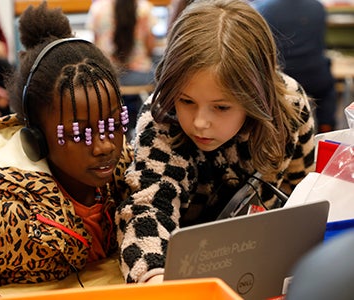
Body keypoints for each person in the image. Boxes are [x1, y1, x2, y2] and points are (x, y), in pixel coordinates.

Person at [0, 2, 133, 298]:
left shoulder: (127, 176)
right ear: (35, 139)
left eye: (112, 124)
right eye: (80, 134)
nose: (105, 146)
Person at [115, 0, 316, 284]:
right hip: (183, 273)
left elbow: (303, 197)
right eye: (187, 101)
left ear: (258, 98)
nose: (199, 122)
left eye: (221, 107)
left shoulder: (290, 107)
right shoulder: (162, 117)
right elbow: (148, 209)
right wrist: (154, 278)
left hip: (263, 268)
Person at [252, 0, 338, 133]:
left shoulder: (263, 9)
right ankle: (326, 132)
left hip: (281, 77)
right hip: (314, 74)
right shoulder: (317, 7)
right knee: (327, 91)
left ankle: (277, 133)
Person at [87, 0, 157, 138]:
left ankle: (118, 127)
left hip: (109, 76)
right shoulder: (144, 8)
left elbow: (96, 47)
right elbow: (150, 47)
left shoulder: (98, 9)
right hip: (140, 76)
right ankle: (137, 125)